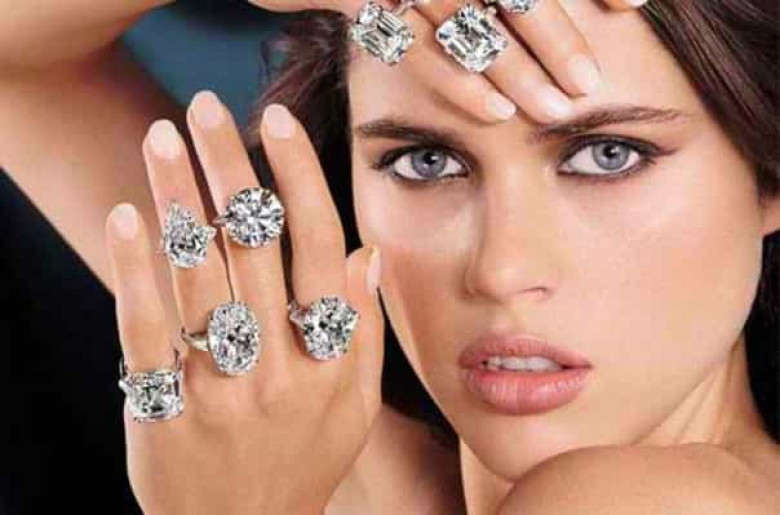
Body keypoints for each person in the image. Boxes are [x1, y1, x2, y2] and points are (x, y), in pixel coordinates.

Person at [3, 0, 778, 513]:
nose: (501, 269)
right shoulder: (328, 454)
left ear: (768, 175)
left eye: (609, 155)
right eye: (426, 161)